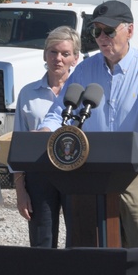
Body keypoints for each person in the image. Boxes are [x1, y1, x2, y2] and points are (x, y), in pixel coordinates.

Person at [40, 0, 138, 248]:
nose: (102, 38)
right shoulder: (84, 70)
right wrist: (44, 132)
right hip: (91, 173)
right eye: (97, 31)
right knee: (92, 253)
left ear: (130, 31)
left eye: (109, 31)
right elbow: (61, 110)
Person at [13, 26, 81, 247]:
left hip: (77, 173)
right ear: (45, 55)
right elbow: (19, 144)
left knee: (79, 240)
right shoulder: (28, 93)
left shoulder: (84, 94)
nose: (58, 59)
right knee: (42, 242)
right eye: (53, 52)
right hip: (39, 173)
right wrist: (21, 190)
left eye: (65, 53)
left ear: (75, 58)